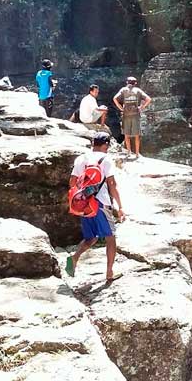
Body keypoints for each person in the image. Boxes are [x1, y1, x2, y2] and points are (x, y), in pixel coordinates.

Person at [66, 133, 125, 284]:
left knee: (91, 238)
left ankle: (74, 258)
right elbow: (112, 184)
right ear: (105, 145)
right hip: (101, 203)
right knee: (110, 237)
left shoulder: (81, 158)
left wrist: (83, 196)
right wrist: (120, 206)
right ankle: (110, 272)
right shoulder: (106, 159)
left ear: (93, 144)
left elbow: (72, 182)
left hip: (85, 204)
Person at [113, 75, 151, 158]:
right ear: (135, 83)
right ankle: (137, 154)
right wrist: (141, 107)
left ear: (127, 82)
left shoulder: (123, 90)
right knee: (136, 135)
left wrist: (121, 108)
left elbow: (115, 98)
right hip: (135, 115)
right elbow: (148, 99)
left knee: (126, 135)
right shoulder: (138, 90)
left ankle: (129, 153)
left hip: (126, 115)